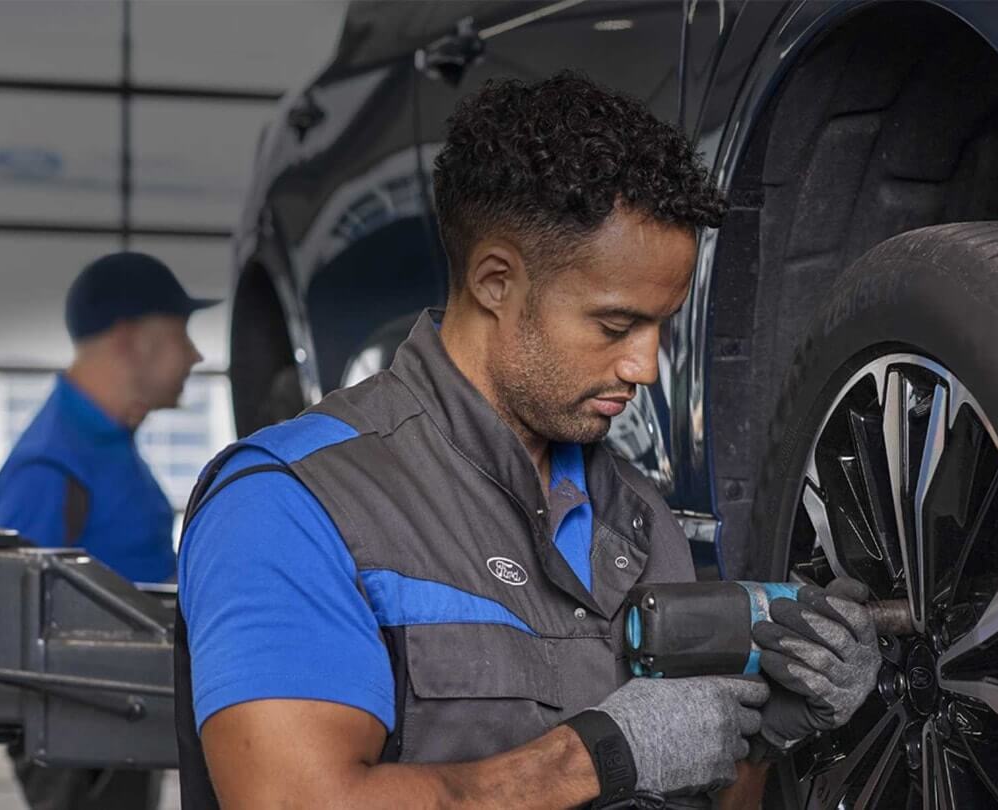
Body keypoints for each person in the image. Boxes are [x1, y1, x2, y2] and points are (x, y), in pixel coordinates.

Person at [175, 73, 878, 809]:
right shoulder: (295, 505)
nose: (644, 366)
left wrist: (766, 742)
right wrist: (592, 758)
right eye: (615, 326)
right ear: (495, 281)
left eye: (661, 328)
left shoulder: (641, 521)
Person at [0, 250, 218, 810]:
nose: (194, 354)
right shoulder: (50, 466)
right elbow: (26, 640)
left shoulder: (106, 445)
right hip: (84, 748)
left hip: (123, 719)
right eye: (180, 333)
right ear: (130, 338)